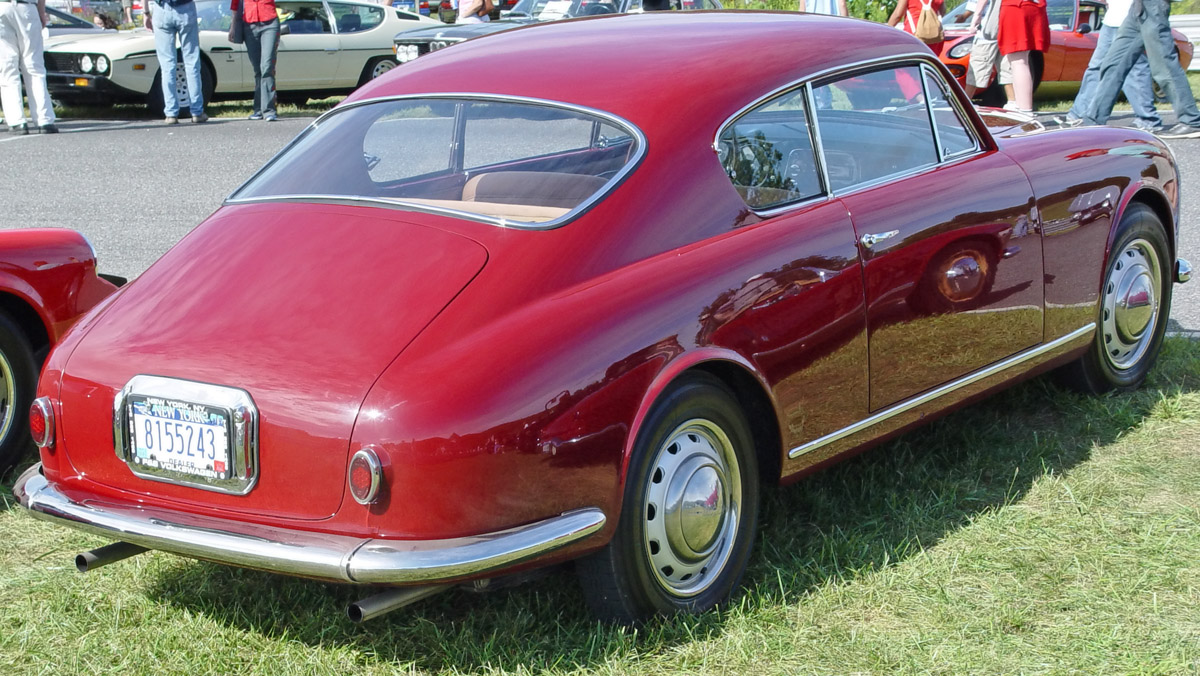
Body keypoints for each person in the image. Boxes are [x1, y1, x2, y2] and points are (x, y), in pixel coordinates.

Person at [1077, 0, 1200, 138]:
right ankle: (1093, 120)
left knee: (1164, 67)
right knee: (1113, 64)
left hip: (1153, 6)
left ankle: (1191, 120)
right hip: (1136, 8)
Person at [1062, 0, 1161, 131]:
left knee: (1134, 69)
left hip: (1132, 20)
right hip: (1110, 21)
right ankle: (1080, 113)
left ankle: (1148, 119)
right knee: (1097, 67)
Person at [0, 0, 58, 134]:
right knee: (34, 67)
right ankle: (44, 120)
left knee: (7, 68)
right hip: (26, 6)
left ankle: (17, 122)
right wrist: (41, 12)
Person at [145, 0, 207, 124]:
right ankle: (197, 112)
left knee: (167, 65)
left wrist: (146, 12)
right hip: (185, 8)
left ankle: (171, 113)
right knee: (191, 62)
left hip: (161, 8)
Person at [996, 0, 1049, 113]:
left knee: (1018, 61)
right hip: (1035, 6)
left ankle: (1024, 109)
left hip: (1017, 6)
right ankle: (1021, 106)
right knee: (1021, 59)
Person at [233, 0, 278, 121]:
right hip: (249, 24)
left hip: (270, 22)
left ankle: (269, 110)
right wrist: (233, 27)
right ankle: (258, 109)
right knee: (258, 69)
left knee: (267, 67)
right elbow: (235, 4)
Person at [965, 0, 1007, 99]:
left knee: (977, 67)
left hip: (987, 30)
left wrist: (976, 16)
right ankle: (1014, 102)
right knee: (1007, 67)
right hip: (1006, 26)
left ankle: (965, 102)